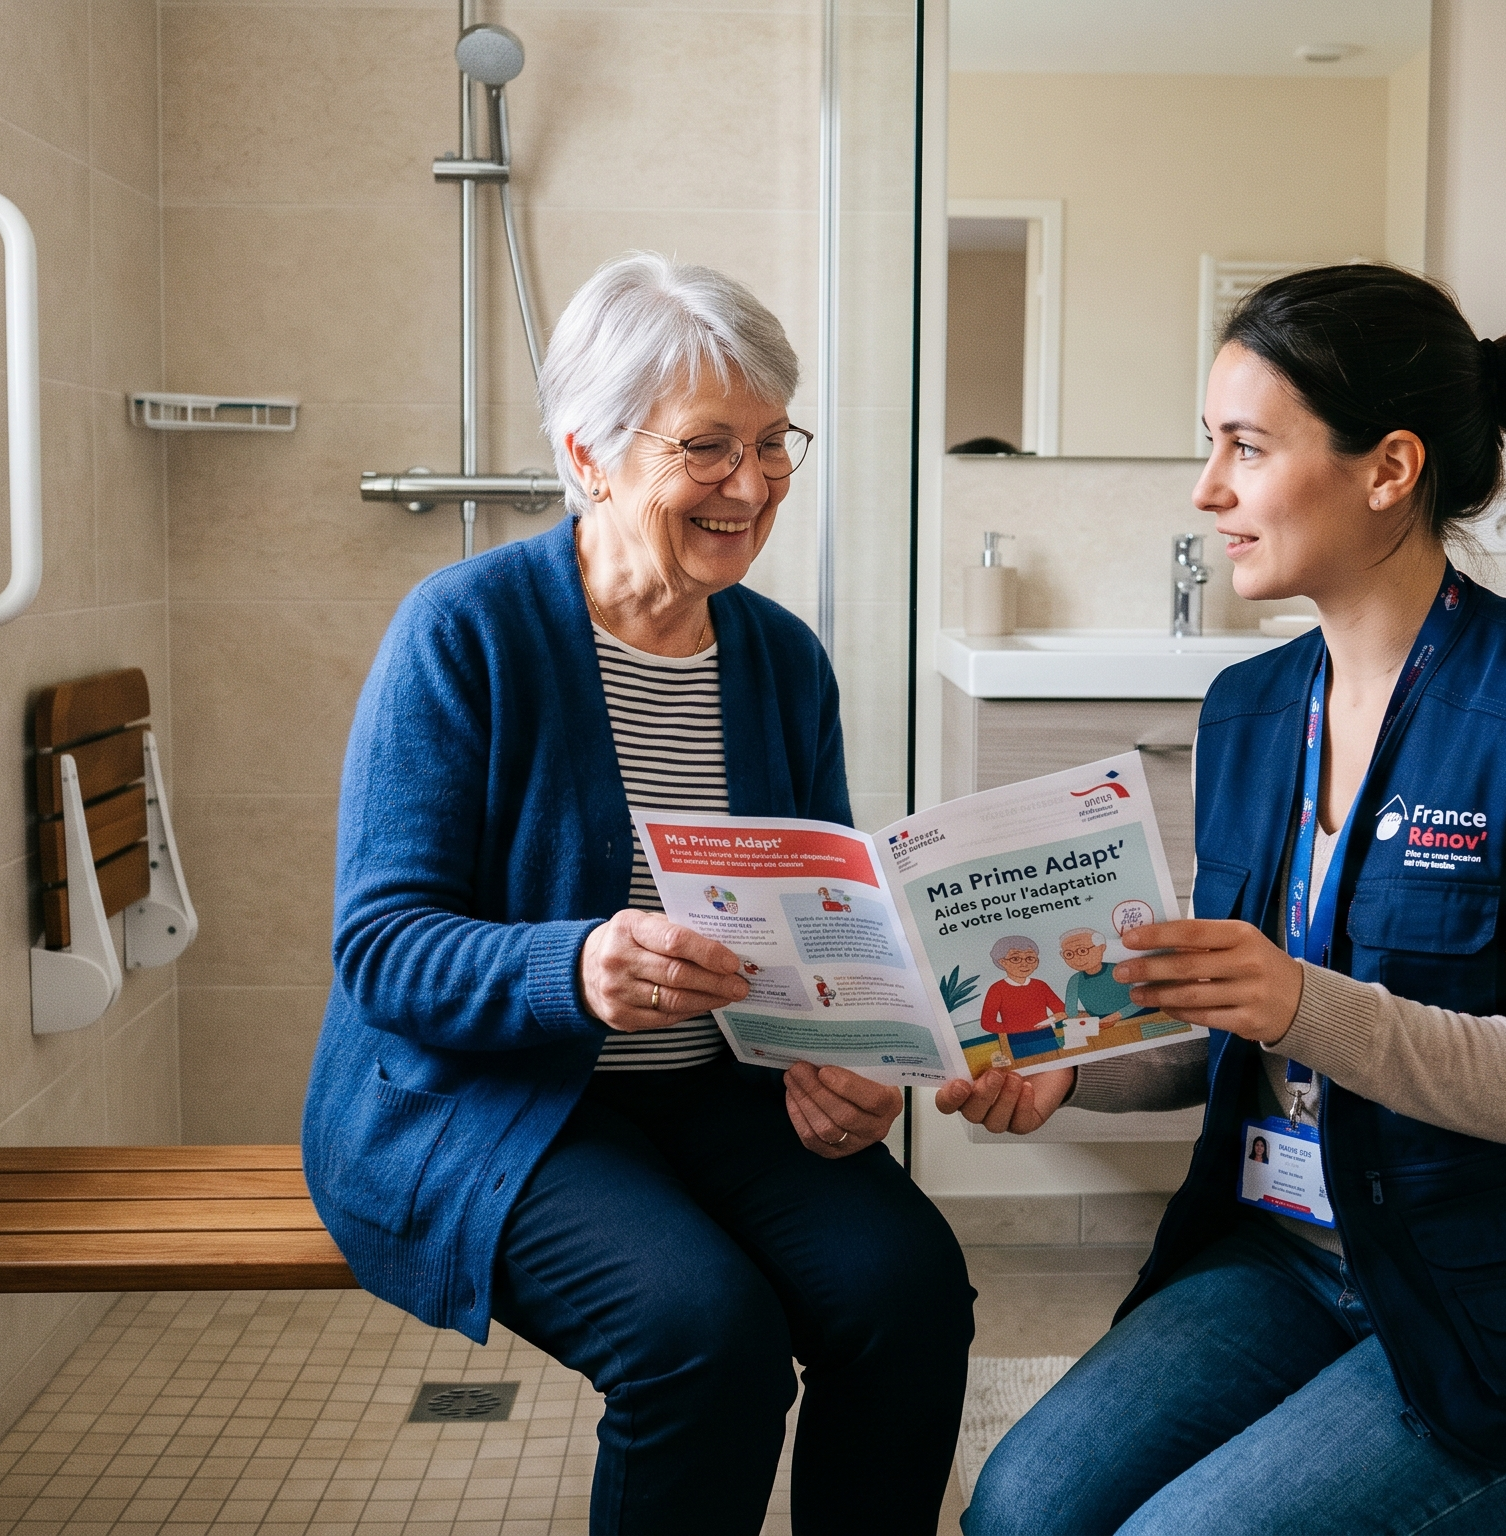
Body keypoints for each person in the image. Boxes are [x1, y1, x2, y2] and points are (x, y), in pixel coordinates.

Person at [941, 264, 1506, 1536]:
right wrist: (1073, 1072)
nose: (1206, 491)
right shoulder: (1252, 710)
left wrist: (1302, 1003)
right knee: (1020, 1508)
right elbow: (1228, 1014)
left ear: (1386, 468)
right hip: (1290, 1258)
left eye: (1246, 447)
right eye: (1209, 445)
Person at [306, 251, 973, 1536]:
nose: (753, 484)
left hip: (720, 1089)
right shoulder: (463, 630)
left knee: (907, 1291)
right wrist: (572, 969)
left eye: (775, 442)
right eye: (708, 447)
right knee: (701, 1335)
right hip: (492, 1103)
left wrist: (848, 1064)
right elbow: (381, 947)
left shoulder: (780, 660)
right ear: (591, 453)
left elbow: (820, 922)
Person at [977, 934, 1065, 1059]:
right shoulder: (997, 989)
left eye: (1030, 958)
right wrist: (1017, 1028)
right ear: (1002, 962)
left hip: (1046, 1036)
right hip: (1018, 1041)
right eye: (1015, 959)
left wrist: (1049, 1020)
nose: (1024, 964)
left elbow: (1062, 1010)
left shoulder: (1040, 985)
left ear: (1037, 962)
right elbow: (987, 1023)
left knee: (1053, 1060)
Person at [1057, 927, 1145, 1020]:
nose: (1077, 958)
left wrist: (1116, 1016)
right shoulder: (1075, 980)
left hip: (1137, 1017)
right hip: (1100, 1023)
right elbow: (1071, 1011)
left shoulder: (1119, 970)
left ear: (1101, 948)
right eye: (1069, 954)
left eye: (1082, 951)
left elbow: (1142, 998)